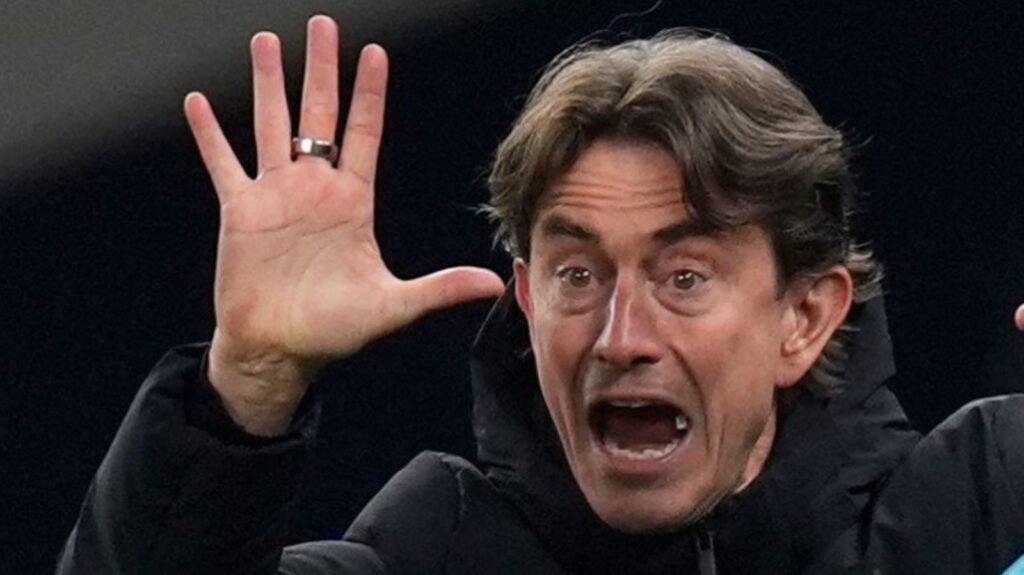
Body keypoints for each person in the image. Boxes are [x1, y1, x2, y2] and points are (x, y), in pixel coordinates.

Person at [58, 15, 1024, 574]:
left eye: (684, 277)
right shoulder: (435, 551)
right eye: (577, 275)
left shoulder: (981, 514)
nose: (620, 334)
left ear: (804, 318)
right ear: (525, 299)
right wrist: (250, 383)